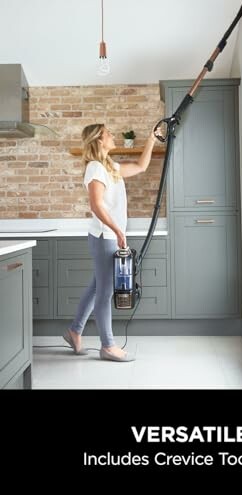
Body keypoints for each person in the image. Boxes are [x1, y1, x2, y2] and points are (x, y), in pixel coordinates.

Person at [62, 123, 156, 361]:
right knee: (105, 292)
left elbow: (140, 166)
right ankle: (108, 346)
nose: (113, 136)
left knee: (97, 287)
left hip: (108, 235)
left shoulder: (109, 167)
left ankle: (74, 331)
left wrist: (152, 139)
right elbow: (96, 205)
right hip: (105, 236)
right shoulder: (94, 168)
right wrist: (117, 230)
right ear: (99, 140)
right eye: (108, 133)